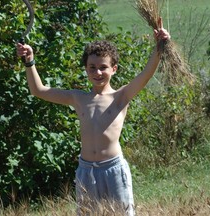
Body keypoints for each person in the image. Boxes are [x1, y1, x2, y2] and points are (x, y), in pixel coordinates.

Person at [16, 17, 170, 216]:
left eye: (103, 67)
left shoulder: (121, 96)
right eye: (92, 68)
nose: (97, 72)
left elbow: (146, 74)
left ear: (114, 69)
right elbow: (38, 90)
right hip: (86, 170)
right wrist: (29, 61)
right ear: (86, 69)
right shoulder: (78, 98)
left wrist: (159, 46)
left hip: (113, 169)